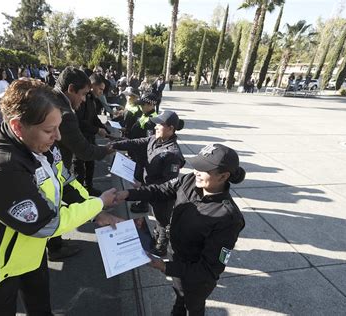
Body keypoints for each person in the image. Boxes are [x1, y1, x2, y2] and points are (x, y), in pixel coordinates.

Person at [0, 79, 122, 315]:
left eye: (58, 127)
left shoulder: (37, 144)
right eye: (49, 130)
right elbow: (46, 224)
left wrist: (96, 211)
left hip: (25, 254)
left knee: (41, 309)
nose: (57, 137)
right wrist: (99, 202)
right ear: (17, 126)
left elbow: (65, 181)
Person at [115, 144, 246, 316]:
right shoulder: (190, 180)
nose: (197, 171)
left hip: (195, 277)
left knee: (193, 305)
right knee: (180, 297)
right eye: (197, 166)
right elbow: (161, 189)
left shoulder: (228, 218)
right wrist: (128, 194)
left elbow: (208, 269)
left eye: (204, 169)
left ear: (223, 176)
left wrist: (165, 267)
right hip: (177, 258)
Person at [50, 66, 114, 260]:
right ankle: (54, 247)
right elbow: (83, 150)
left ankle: (55, 244)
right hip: (52, 170)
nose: (85, 99)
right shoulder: (64, 114)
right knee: (52, 204)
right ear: (71, 89)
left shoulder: (50, 100)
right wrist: (107, 150)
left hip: (56, 169)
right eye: (84, 94)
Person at [111, 111, 185, 256]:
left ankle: (161, 245)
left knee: (162, 219)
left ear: (171, 129)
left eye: (160, 124)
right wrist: (114, 145)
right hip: (149, 188)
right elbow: (135, 143)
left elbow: (167, 185)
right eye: (156, 123)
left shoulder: (173, 155)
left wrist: (144, 187)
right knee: (155, 215)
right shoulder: (155, 139)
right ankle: (158, 236)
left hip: (161, 194)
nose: (156, 127)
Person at [74, 73, 110, 195]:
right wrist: (97, 130)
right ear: (93, 85)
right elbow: (80, 122)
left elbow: (94, 118)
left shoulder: (92, 100)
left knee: (91, 164)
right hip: (80, 138)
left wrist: (105, 129)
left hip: (89, 137)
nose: (101, 92)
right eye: (100, 89)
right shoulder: (82, 99)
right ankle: (79, 194)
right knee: (79, 169)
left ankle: (89, 188)